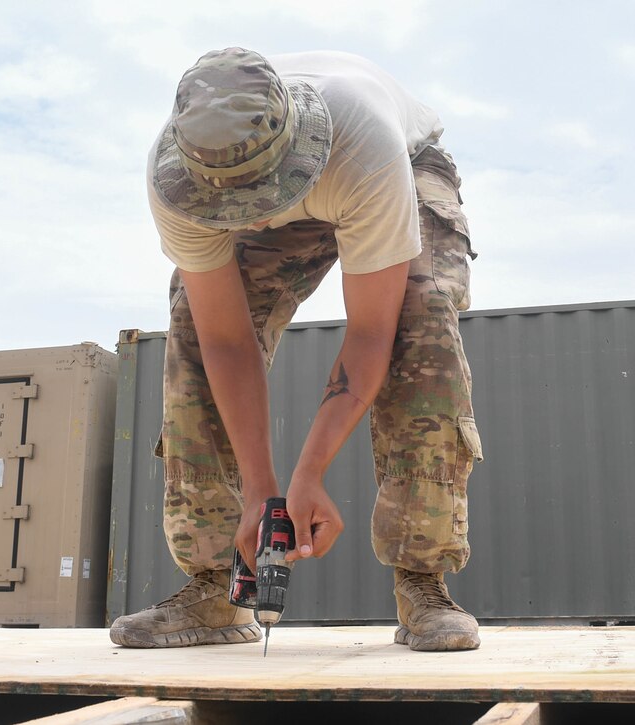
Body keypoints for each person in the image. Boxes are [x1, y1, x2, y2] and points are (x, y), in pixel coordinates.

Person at [109, 49, 483, 652]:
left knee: (423, 329)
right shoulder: (177, 180)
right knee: (193, 336)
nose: (256, 216)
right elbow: (228, 343)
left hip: (394, 168)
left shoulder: (364, 145)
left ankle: (422, 579)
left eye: (261, 197)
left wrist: (308, 475)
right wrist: (263, 491)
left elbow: (370, 334)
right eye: (240, 206)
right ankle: (217, 585)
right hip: (275, 179)